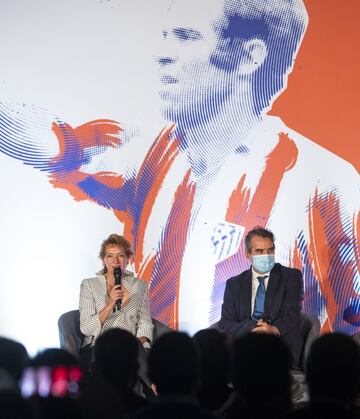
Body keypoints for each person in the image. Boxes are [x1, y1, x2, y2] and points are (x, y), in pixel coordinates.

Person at [0, 0, 358, 337]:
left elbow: (352, 320)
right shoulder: (152, 152)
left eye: (186, 38)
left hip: (261, 392)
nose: (163, 55)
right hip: (159, 385)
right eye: (166, 37)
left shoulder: (322, 186)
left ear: (250, 56)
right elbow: (56, 145)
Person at [219, 226, 303, 368]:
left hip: (278, 342)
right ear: (248, 254)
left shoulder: (291, 276)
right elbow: (226, 322)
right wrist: (250, 329)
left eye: (270, 251)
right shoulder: (234, 283)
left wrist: (272, 330)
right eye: (259, 251)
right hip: (243, 343)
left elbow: (291, 314)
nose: (266, 256)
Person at [79, 234, 153, 379]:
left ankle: (152, 388)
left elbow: (145, 321)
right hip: (101, 345)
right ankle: (151, 386)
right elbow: (86, 328)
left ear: (127, 259)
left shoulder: (139, 285)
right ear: (104, 260)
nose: (115, 261)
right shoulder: (89, 285)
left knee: (132, 352)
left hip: (131, 345)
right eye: (110, 256)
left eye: (120, 256)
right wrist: (111, 304)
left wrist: (139, 342)